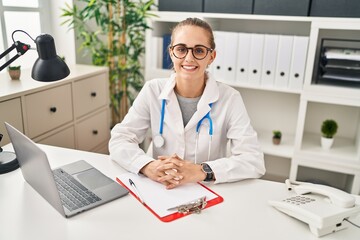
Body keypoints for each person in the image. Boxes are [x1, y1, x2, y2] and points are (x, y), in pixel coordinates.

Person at [109, 17, 265, 189]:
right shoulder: (152, 90)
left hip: (207, 190)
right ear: (171, 52)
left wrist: (201, 171)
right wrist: (147, 165)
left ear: (211, 56)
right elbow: (120, 139)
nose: (189, 58)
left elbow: (253, 160)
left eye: (198, 51)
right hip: (160, 187)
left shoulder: (230, 98)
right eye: (181, 49)